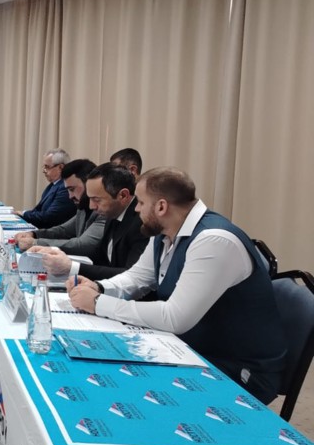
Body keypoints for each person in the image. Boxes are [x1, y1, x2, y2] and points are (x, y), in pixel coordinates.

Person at [67, 167, 285, 403]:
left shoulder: (213, 241)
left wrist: (98, 303)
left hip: (237, 368)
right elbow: (137, 278)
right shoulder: (165, 231)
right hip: (191, 347)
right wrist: (99, 287)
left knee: (116, 385)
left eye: (141, 202)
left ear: (161, 207)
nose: (136, 209)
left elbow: (174, 318)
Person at [32, 163, 147, 281]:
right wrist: (54, 251)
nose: (92, 206)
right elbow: (99, 256)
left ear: (123, 195)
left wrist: (72, 267)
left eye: (96, 200)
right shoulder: (112, 212)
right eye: (90, 198)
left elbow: (131, 276)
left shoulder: (142, 223)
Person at [14, 158, 105, 256]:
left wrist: (36, 242)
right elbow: (63, 230)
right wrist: (34, 234)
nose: (70, 196)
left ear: (89, 184)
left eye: (72, 189)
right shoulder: (83, 207)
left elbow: (82, 245)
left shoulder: (103, 211)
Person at [15, 148, 76, 229]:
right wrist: (22, 213)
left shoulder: (65, 188)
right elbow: (39, 210)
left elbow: (49, 217)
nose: (44, 171)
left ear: (61, 167)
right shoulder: (54, 185)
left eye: (47, 167)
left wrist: (23, 214)